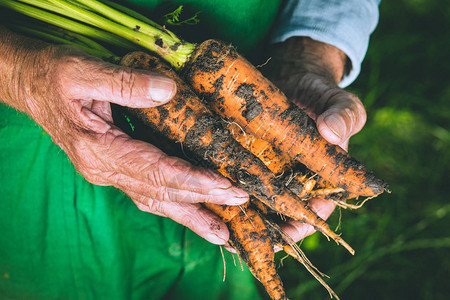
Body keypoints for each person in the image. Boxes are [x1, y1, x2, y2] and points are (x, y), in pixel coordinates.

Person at [0, 0, 380, 299]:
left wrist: (310, 53)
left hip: (250, 61)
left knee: (224, 242)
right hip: (33, 159)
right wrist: (17, 72)